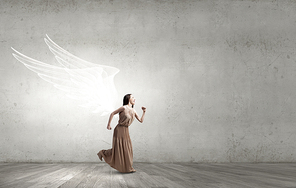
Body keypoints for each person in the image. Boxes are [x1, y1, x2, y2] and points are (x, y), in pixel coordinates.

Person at [97, 94, 146, 173]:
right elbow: (112, 113)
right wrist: (108, 124)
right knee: (119, 149)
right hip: (119, 129)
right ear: (128, 99)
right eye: (132, 97)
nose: (134, 99)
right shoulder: (123, 107)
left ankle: (127, 167)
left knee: (127, 149)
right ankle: (103, 153)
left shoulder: (134, 111)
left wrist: (144, 112)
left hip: (126, 130)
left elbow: (141, 120)